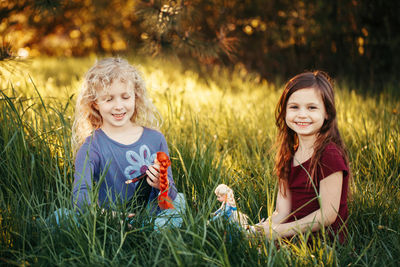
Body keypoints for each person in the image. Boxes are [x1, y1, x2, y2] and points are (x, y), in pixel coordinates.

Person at [71, 57, 184, 228]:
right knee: (66, 218)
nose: (118, 106)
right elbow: (81, 194)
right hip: (115, 220)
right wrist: (106, 216)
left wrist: (162, 185)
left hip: (156, 218)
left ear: (135, 97)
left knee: (176, 209)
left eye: (125, 97)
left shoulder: (155, 139)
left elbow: (171, 194)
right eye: (109, 99)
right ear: (96, 104)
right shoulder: (92, 146)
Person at [256, 71, 350, 243]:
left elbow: (327, 215)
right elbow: (282, 211)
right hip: (290, 232)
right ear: (285, 111)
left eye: (312, 107)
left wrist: (280, 231)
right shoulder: (288, 153)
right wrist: (261, 230)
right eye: (294, 107)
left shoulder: (329, 155)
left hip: (322, 240)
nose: (302, 114)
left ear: (327, 112)